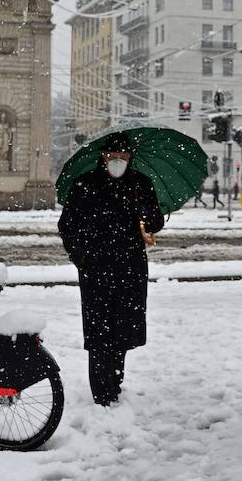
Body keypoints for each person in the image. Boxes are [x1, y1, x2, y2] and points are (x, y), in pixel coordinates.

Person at [57, 132, 165, 406]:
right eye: (112, 156)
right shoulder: (85, 185)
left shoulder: (141, 185)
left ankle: (114, 380)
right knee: (98, 332)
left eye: (123, 156)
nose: (118, 161)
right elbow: (67, 226)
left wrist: (149, 213)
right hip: (95, 268)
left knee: (124, 329)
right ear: (103, 157)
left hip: (130, 268)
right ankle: (102, 391)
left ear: (130, 158)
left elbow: (154, 224)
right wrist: (81, 257)